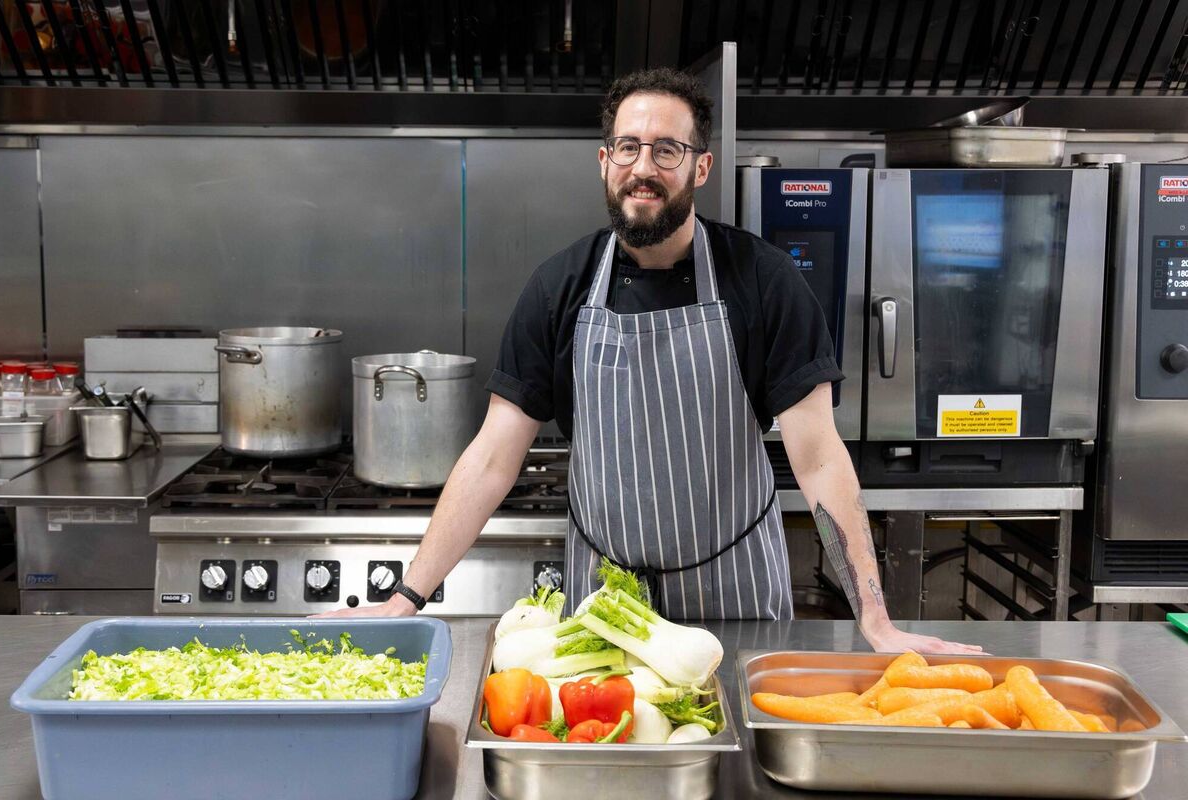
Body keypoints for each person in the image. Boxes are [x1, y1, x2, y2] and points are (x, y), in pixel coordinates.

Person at [322, 68, 980, 655]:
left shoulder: (764, 280)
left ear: (699, 167)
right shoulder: (559, 288)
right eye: (629, 148)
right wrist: (407, 596)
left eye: (668, 149)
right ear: (605, 162)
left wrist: (875, 616)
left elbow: (817, 458)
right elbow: (494, 456)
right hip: (603, 613)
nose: (645, 166)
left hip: (736, 602)